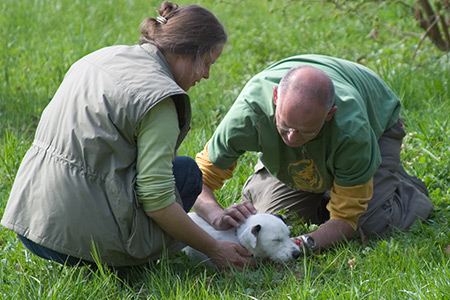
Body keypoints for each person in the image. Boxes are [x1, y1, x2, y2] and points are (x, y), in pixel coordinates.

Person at [1, 1, 254, 270]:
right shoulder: (160, 99)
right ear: (184, 51)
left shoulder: (99, 58)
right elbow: (157, 201)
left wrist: (214, 216)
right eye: (206, 63)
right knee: (187, 173)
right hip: (77, 245)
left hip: (29, 222)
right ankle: (120, 259)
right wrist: (213, 247)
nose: (206, 75)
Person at [193, 54, 433, 252]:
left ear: (329, 115)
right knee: (272, 219)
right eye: (284, 127)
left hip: (377, 123)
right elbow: (196, 183)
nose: (292, 139)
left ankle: (399, 186)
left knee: (370, 224)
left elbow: (345, 221)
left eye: (304, 132)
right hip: (321, 138)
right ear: (276, 98)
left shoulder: (352, 130)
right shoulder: (249, 114)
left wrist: (301, 245)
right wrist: (216, 216)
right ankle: (327, 186)